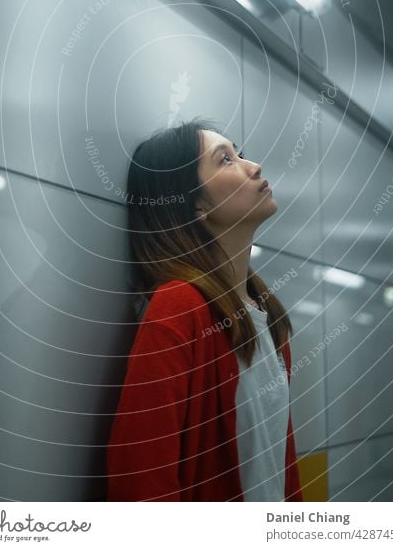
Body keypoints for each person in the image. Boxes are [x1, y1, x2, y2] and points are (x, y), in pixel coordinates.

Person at [106, 117, 303, 502]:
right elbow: (140, 479)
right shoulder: (180, 306)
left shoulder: (265, 313)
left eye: (239, 154)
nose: (254, 166)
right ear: (196, 205)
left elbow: (278, 462)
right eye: (225, 160)